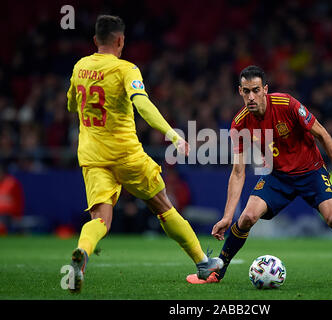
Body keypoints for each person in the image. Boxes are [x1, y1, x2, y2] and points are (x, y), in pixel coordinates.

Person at [186, 65, 332, 285]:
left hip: (311, 171)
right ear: (240, 91)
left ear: (265, 89)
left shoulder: (287, 104)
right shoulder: (240, 124)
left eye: (256, 90)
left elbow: (322, 134)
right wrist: (228, 216)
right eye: (246, 91)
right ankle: (217, 272)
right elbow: (238, 172)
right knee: (246, 217)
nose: (251, 96)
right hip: (277, 176)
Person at [66, 15, 222, 293]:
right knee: (163, 206)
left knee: (100, 218)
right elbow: (143, 105)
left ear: (94, 41)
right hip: (126, 154)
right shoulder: (126, 69)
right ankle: (202, 262)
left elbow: (70, 104)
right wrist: (173, 134)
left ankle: (82, 252)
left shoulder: (80, 66)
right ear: (120, 40)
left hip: (91, 155)